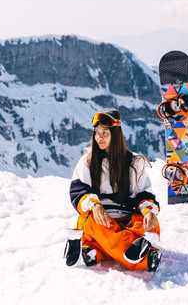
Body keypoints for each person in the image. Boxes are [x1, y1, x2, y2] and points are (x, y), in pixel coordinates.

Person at [64, 110, 162, 272]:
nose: (99, 137)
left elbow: (144, 194)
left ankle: (98, 250)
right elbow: (78, 192)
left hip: (128, 222)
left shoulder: (134, 163)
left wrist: (148, 211)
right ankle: (144, 259)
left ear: (115, 136)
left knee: (151, 222)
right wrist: (95, 205)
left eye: (105, 133)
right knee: (92, 221)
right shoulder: (87, 162)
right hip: (103, 221)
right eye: (97, 133)